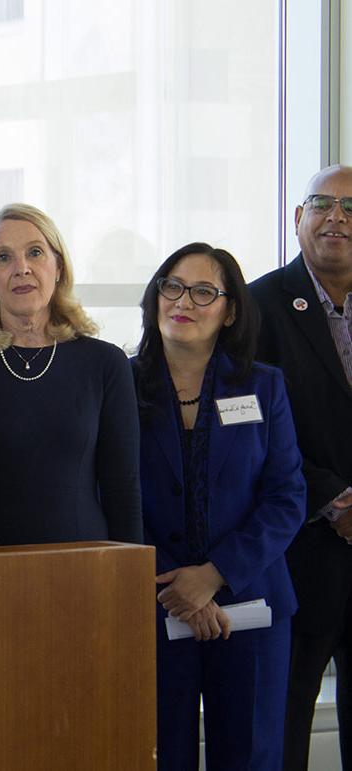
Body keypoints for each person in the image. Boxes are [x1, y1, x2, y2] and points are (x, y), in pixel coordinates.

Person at [135, 243, 305, 770]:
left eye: (204, 291)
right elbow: (108, 498)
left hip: (250, 607)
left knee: (251, 757)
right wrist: (177, 585)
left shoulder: (263, 385)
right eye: (173, 285)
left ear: (229, 311)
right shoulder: (119, 383)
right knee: (162, 755)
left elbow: (287, 497)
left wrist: (214, 575)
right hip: (155, 608)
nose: (184, 300)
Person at [249, 165, 352, 770]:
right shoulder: (260, 304)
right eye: (322, 203)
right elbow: (255, 427)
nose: (336, 217)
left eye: (350, 207)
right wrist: (337, 502)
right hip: (300, 550)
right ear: (298, 220)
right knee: (285, 723)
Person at [0, 203, 142, 547]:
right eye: (3, 257)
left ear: (58, 266)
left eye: (35, 253)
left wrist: (130, 582)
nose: (22, 269)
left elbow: (123, 488)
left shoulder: (105, 363)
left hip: (82, 566)